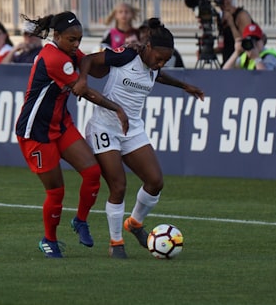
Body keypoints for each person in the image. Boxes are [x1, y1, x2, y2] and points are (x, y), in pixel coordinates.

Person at [78, 18, 204, 258]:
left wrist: (184, 86)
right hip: (104, 128)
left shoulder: (153, 68)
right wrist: (83, 79)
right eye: (159, 57)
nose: (160, 63)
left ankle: (134, 223)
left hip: (132, 129)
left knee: (155, 181)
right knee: (118, 185)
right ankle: (116, 243)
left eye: (165, 60)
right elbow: (88, 60)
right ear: (147, 47)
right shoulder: (125, 56)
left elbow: (159, 76)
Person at [14, 11, 129, 258]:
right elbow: (84, 91)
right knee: (56, 191)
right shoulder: (55, 58)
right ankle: (49, 240)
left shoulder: (69, 52)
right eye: (72, 40)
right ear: (57, 36)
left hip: (60, 124)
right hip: (36, 131)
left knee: (92, 172)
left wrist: (121, 55)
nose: (77, 45)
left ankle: (80, 221)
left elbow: (93, 70)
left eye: (79, 39)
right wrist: (117, 108)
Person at [213, 0, 255, 64]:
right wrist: (209, 52)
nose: (224, 2)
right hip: (229, 62)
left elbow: (244, 45)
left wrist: (232, 24)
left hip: (242, 64)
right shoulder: (221, 18)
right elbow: (225, 46)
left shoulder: (241, 15)